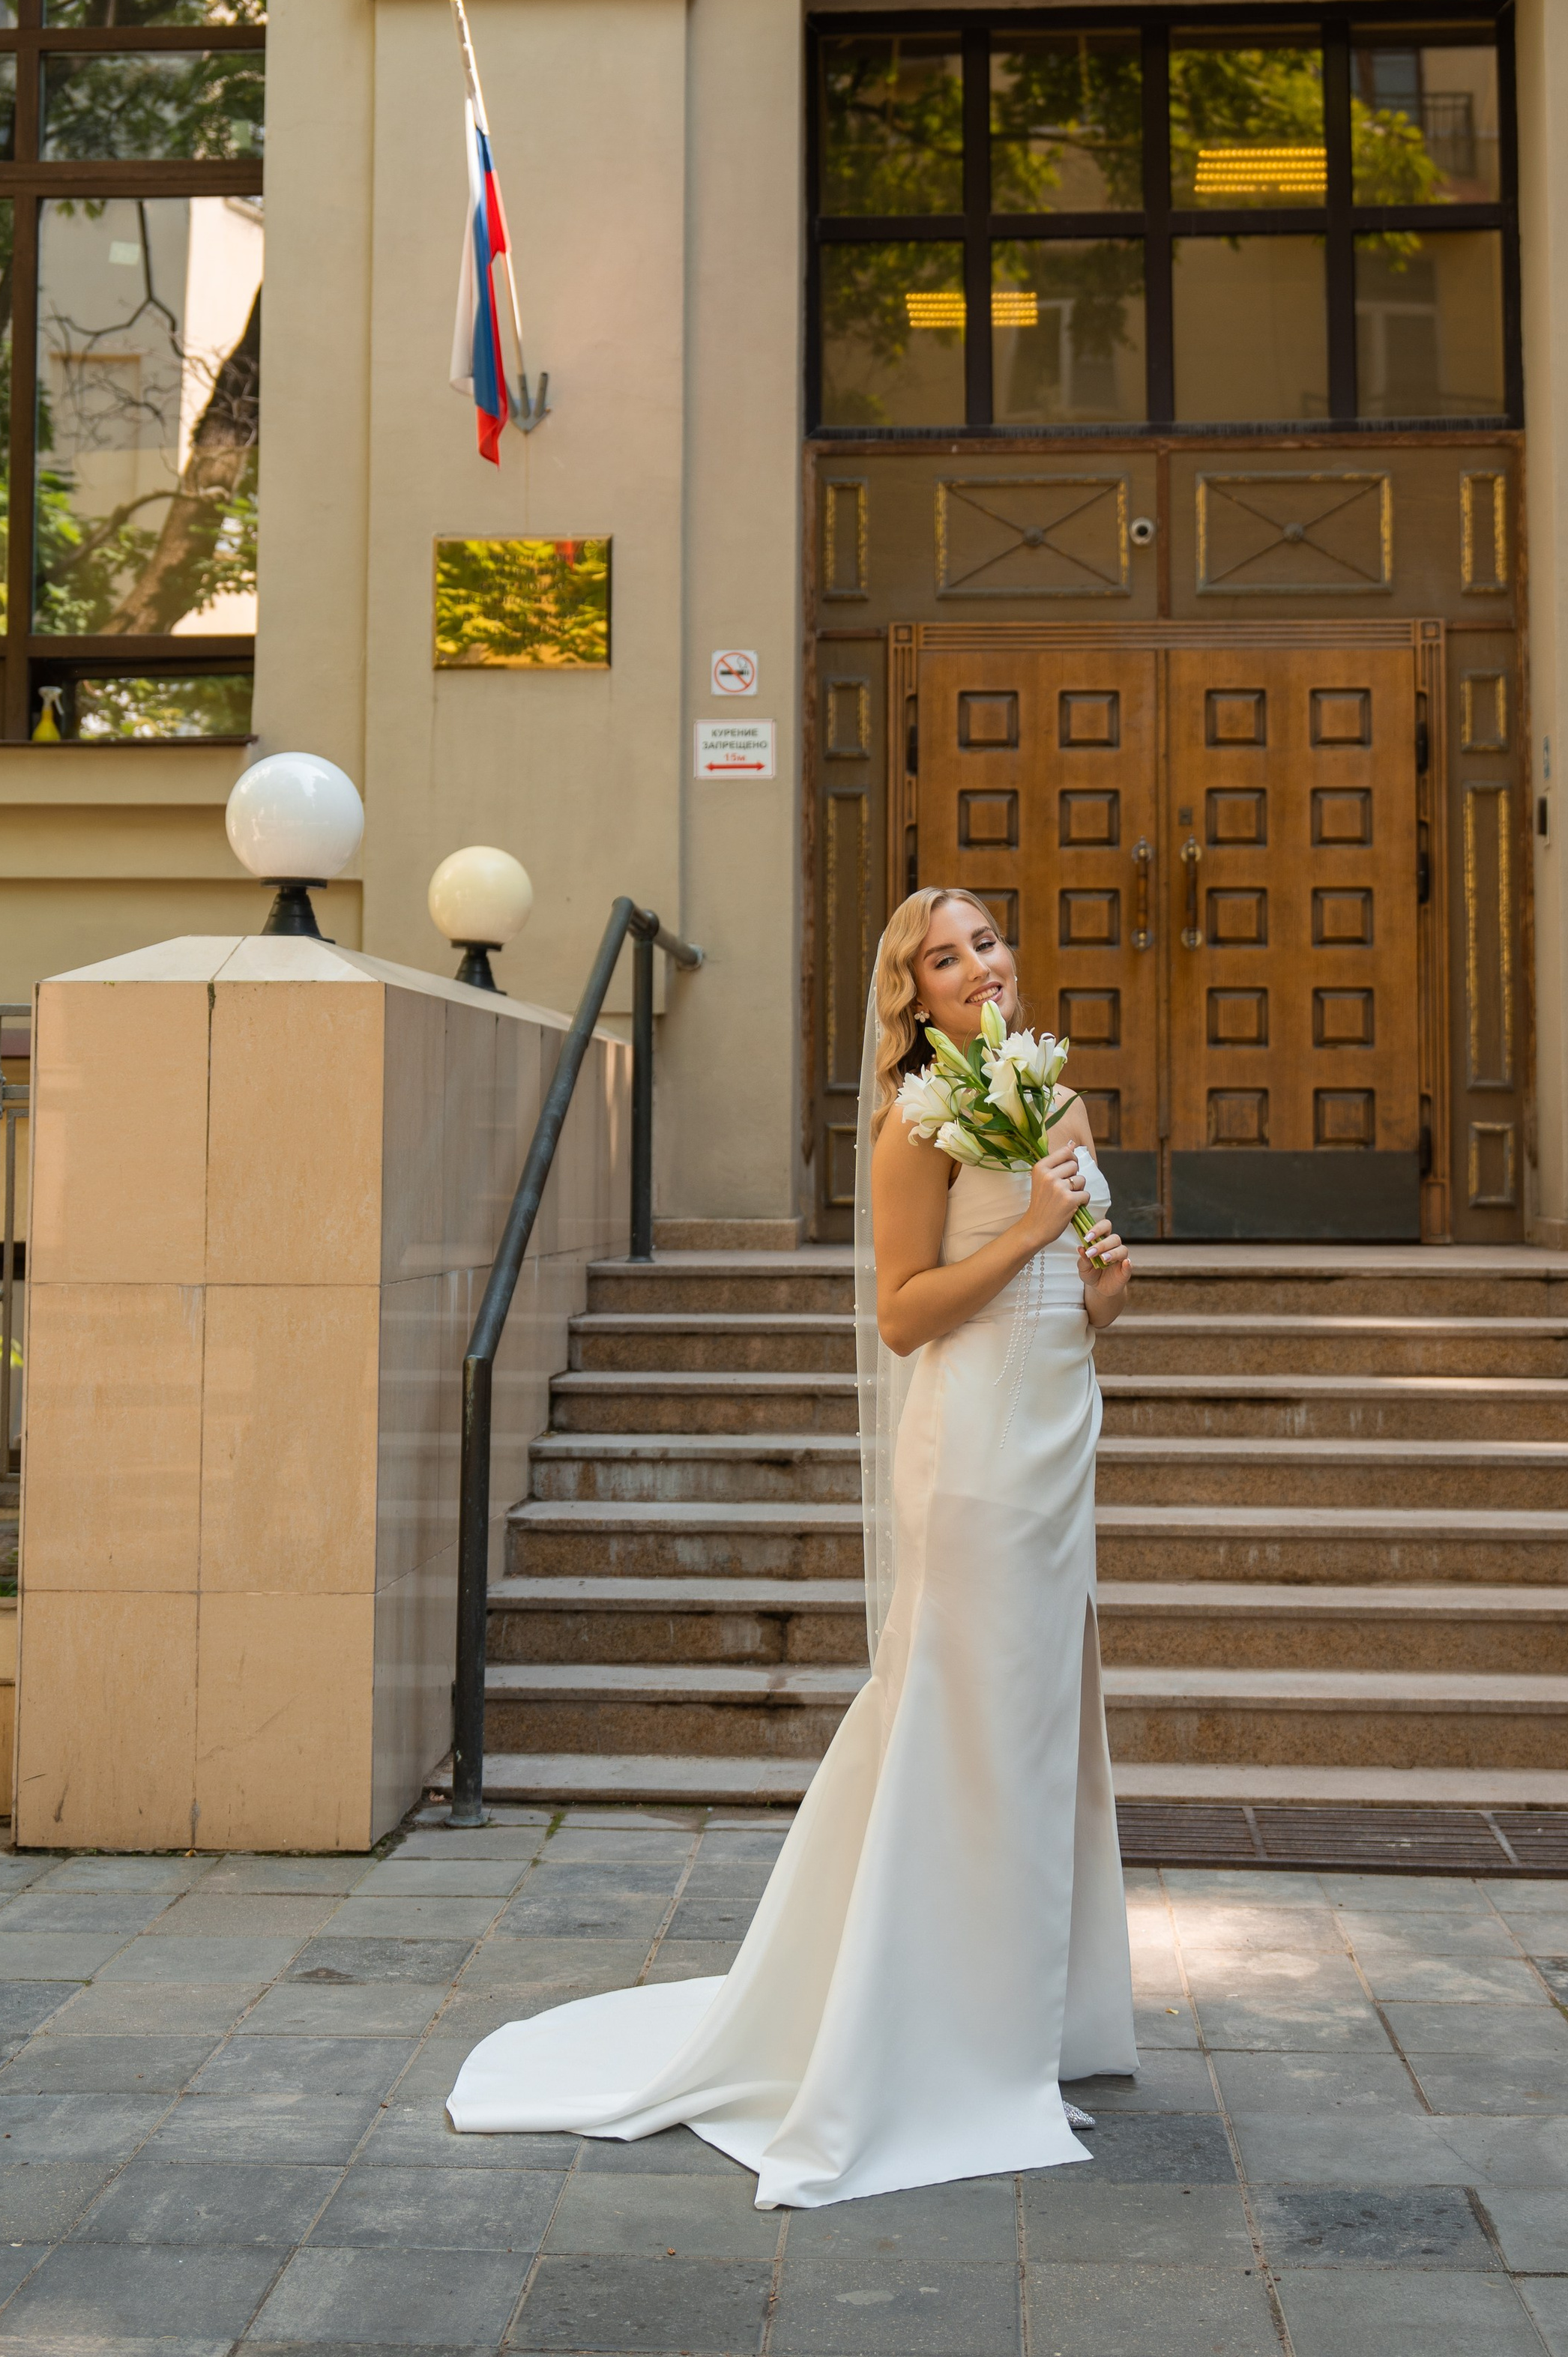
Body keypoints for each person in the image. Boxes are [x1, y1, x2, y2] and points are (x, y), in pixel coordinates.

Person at [446, 884, 1139, 2207]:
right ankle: (924, 2027)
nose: (980, 966)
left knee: (1035, 1724)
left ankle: (1018, 2012)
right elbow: (903, 1314)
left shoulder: (1059, 1098)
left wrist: (1105, 1279)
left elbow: (1086, 1297)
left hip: (1059, 1441)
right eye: (946, 957)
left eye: (989, 940)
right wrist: (1034, 1233)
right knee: (961, 1718)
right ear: (913, 994)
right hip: (976, 1452)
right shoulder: (918, 1122)